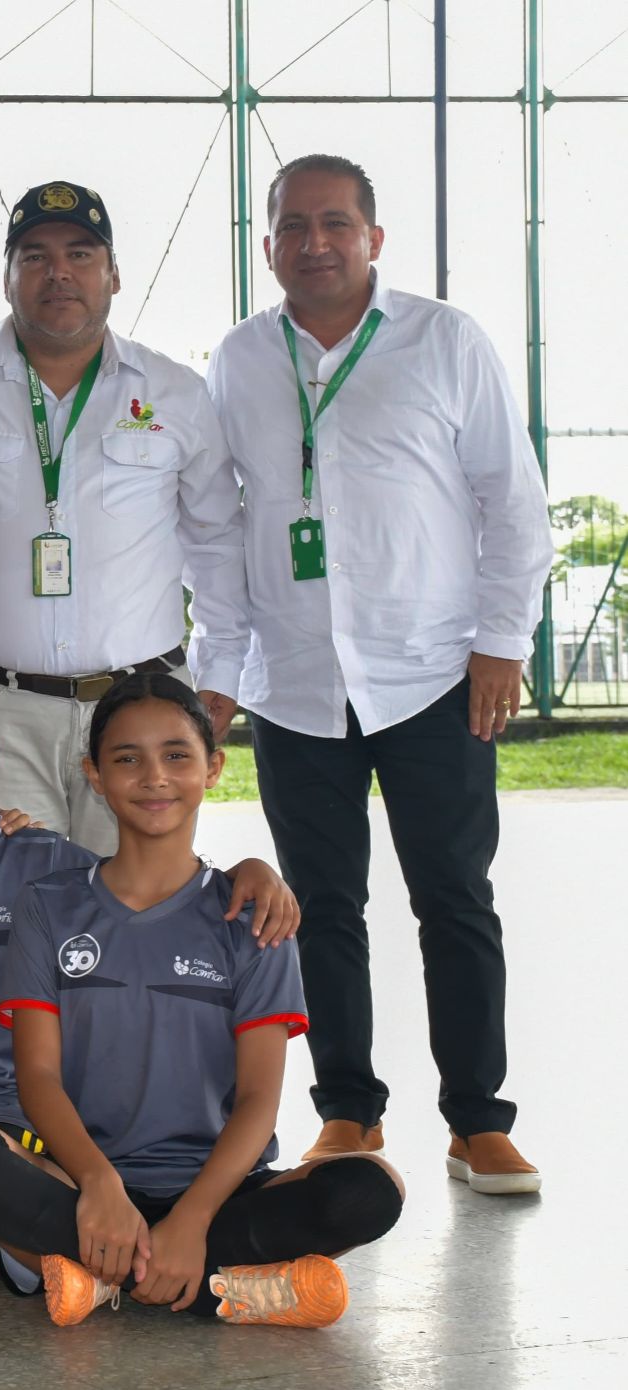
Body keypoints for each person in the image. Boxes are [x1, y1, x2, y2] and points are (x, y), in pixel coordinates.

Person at [204, 154, 554, 1191]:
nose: (315, 242)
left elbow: (511, 499)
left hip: (432, 673)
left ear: (373, 238)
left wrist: (504, 638)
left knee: (453, 897)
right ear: (265, 244)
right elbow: (218, 530)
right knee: (319, 904)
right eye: (292, 225)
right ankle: (348, 1111)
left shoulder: (444, 341)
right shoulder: (235, 360)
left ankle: (476, 1118)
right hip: (295, 681)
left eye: (336, 223)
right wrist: (220, 666)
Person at [0, 674, 403, 1329]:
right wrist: (100, 1185)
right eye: (126, 758)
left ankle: (107, 1277)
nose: (154, 776)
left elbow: (259, 1100)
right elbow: (37, 1077)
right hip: (83, 1187)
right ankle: (219, 1290)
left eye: (176, 755)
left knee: (371, 1189)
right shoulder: (49, 906)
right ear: (94, 774)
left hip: (220, 1192)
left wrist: (195, 1217)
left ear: (213, 767)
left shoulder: (250, 916)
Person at [0, 181, 246, 854]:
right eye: (34, 256)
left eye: (81, 254)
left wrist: (221, 674)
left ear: (113, 274)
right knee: (7, 925)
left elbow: (215, 540)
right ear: (6, 279)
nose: (59, 272)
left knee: (134, 919)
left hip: (140, 711)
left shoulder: (173, 391)